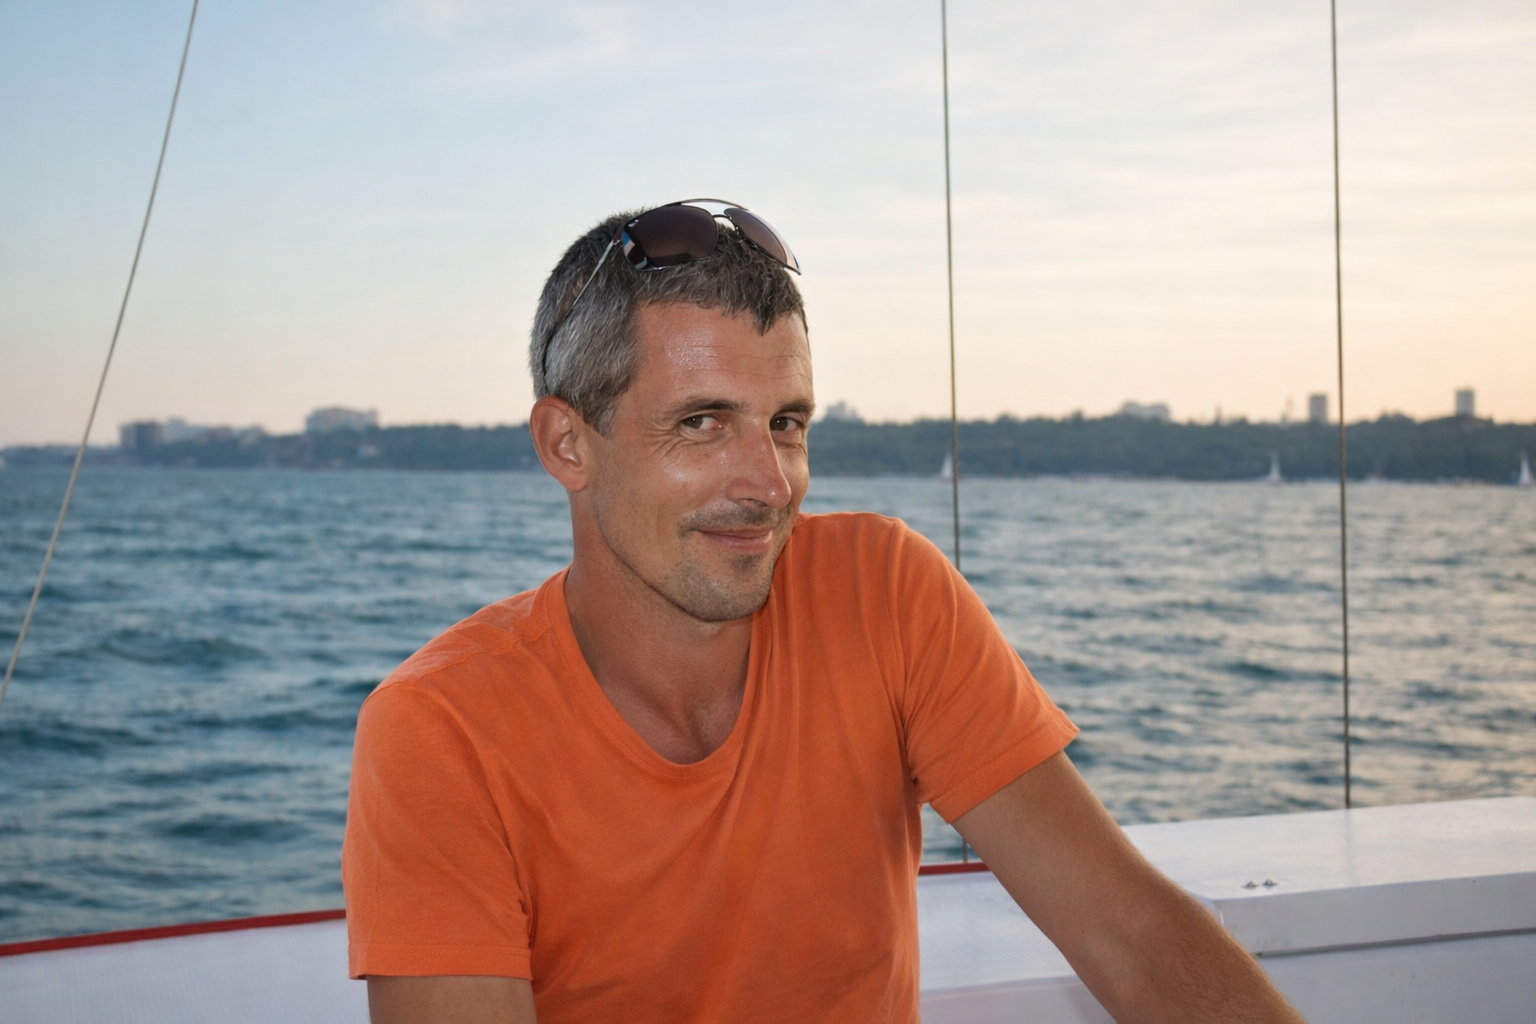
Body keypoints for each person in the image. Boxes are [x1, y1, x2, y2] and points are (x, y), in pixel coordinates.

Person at [342, 199, 1306, 1024]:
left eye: (787, 424)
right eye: (701, 423)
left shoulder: (886, 592)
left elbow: (1130, 932)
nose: (769, 485)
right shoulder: (442, 729)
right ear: (567, 444)